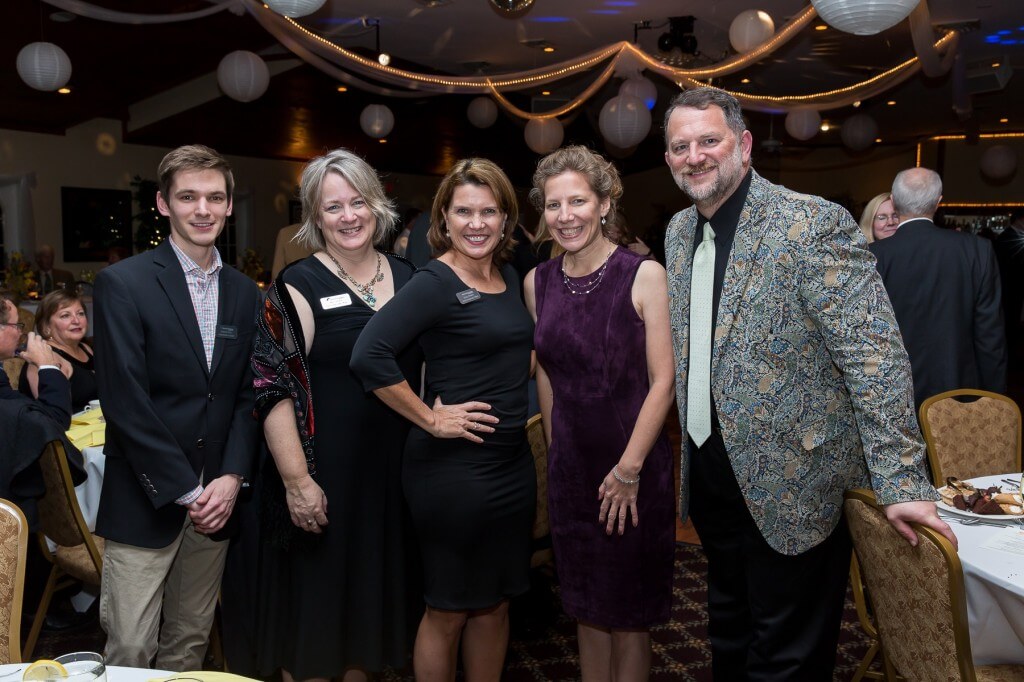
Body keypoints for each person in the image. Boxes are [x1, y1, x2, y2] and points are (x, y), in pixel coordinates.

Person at [662, 87, 954, 680]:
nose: (694, 156)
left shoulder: (810, 223)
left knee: (788, 659)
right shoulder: (676, 232)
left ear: (743, 145)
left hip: (797, 486)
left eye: (708, 141)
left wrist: (899, 479)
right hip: (711, 476)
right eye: (679, 146)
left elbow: (875, 358)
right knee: (728, 633)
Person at [351, 158, 535, 682]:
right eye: (463, 212)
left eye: (489, 211)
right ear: (444, 219)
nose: (476, 223)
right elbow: (369, 355)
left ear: (505, 219)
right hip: (452, 473)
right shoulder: (435, 280)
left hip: (510, 467)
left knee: (497, 603)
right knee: (449, 608)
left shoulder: (508, 274)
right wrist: (430, 419)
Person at [249, 148, 422, 681]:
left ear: (378, 205)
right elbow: (269, 388)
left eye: (358, 202)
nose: (348, 216)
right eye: (333, 207)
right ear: (314, 217)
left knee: (369, 617)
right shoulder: (295, 286)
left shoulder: (411, 275)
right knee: (321, 620)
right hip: (326, 479)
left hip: (395, 477)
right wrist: (297, 482)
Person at [92, 144, 261, 670]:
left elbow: (246, 395)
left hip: (217, 499)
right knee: (131, 649)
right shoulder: (124, 283)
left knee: (188, 643)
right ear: (164, 204)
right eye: (188, 197)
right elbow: (125, 402)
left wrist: (231, 477)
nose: (203, 209)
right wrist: (187, 491)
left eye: (215, 197)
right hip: (149, 496)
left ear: (230, 205)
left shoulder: (245, 293)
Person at [524, 146, 675, 680]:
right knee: (584, 608)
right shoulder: (537, 281)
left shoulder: (644, 275)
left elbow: (665, 382)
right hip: (572, 471)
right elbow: (546, 370)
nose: (565, 216)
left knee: (629, 616)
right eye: (553, 204)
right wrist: (555, 447)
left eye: (578, 201)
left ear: (605, 202)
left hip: (632, 468)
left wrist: (629, 468)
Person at [870, 167, 1007, 408]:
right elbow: (989, 334)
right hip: (958, 389)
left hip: (892, 392)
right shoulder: (977, 251)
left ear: (893, 200)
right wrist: (994, 398)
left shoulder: (875, 257)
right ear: (938, 202)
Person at [19, 289, 97, 412]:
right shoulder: (44, 356)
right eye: (65, 315)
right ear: (46, 327)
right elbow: (52, 413)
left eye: (80, 313)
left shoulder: (85, 348)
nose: (76, 321)